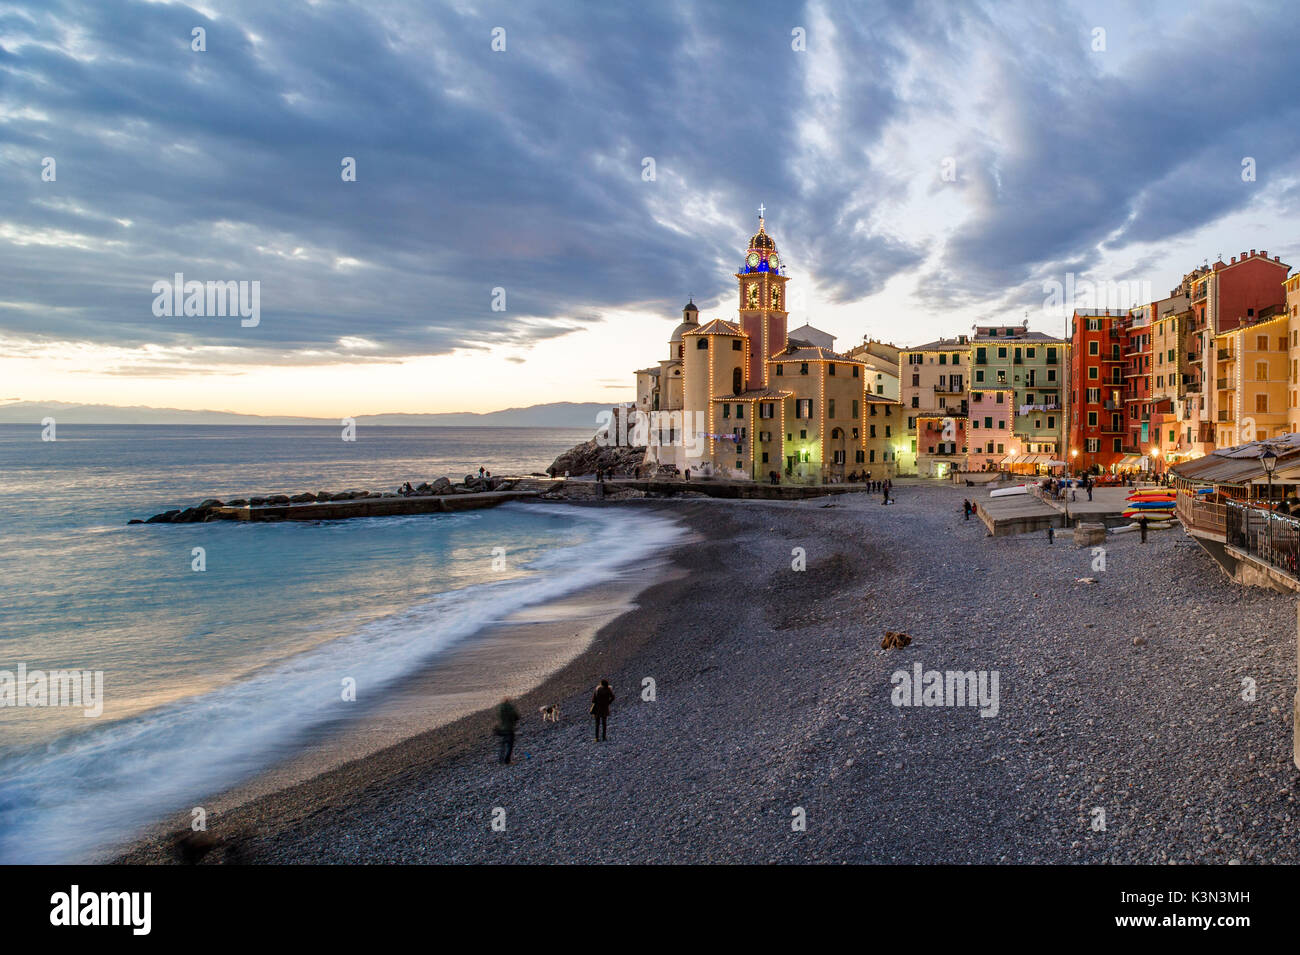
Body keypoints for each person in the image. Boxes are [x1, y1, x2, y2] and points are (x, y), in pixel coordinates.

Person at [494, 697, 521, 764]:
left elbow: (498, 717)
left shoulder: (500, 708)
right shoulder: (510, 707)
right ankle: (507, 760)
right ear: (508, 701)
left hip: (501, 729)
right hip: (509, 729)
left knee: (503, 745)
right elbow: (516, 716)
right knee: (509, 745)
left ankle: (500, 760)